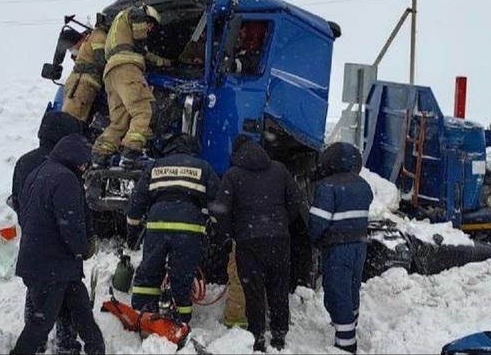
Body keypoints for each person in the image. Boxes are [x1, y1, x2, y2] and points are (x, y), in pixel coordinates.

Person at [12, 133, 105, 355]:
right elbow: (71, 226)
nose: (85, 168)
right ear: (74, 158)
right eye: (84, 162)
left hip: (47, 264)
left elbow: (25, 215)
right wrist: (83, 248)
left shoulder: (39, 173)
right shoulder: (65, 179)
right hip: (52, 268)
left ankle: (96, 349)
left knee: (82, 312)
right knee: (39, 324)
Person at [211, 135, 304, 352]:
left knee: (252, 290)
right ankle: (279, 335)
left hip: (248, 242)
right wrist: (281, 223)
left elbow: (221, 211)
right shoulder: (280, 170)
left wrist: (226, 236)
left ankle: (258, 336)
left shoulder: (233, 175)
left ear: (236, 154)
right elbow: (296, 200)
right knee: (279, 288)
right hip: (279, 241)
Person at [125, 133, 220, 323]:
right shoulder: (203, 167)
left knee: (149, 271)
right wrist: (217, 231)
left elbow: (137, 201)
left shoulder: (156, 166)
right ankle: (180, 319)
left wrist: (132, 231)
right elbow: (218, 203)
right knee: (182, 276)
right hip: (189, 227)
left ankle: (143, 312)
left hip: (157, 224)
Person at [309, 142, 373, 354]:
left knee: (338, 294)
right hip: (360, 246)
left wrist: (314, 239)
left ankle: (345, 345)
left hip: (338, 249)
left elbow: (318, 221)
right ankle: (350, 326)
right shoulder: (363, 185)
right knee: (352, 289)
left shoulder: (328, 187)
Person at [91, 4, 170, 170]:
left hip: (111, 74)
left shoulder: (119, 34)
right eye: (151, 24)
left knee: (119, 122)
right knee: (144, 110)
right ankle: (131, 153)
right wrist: (141, 41)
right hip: (127, 70)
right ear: (147, 16)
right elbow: (138, 19)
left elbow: (147, 56)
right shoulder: (134, 13)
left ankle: (100, 154)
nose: (149, 29)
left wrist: (166, 62)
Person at [61, 15, 109, 124]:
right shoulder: (99, 36)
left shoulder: (93, 37)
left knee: (77, 121)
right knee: (72, 119)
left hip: (82, 84)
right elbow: (101, 62)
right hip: (81, 85)